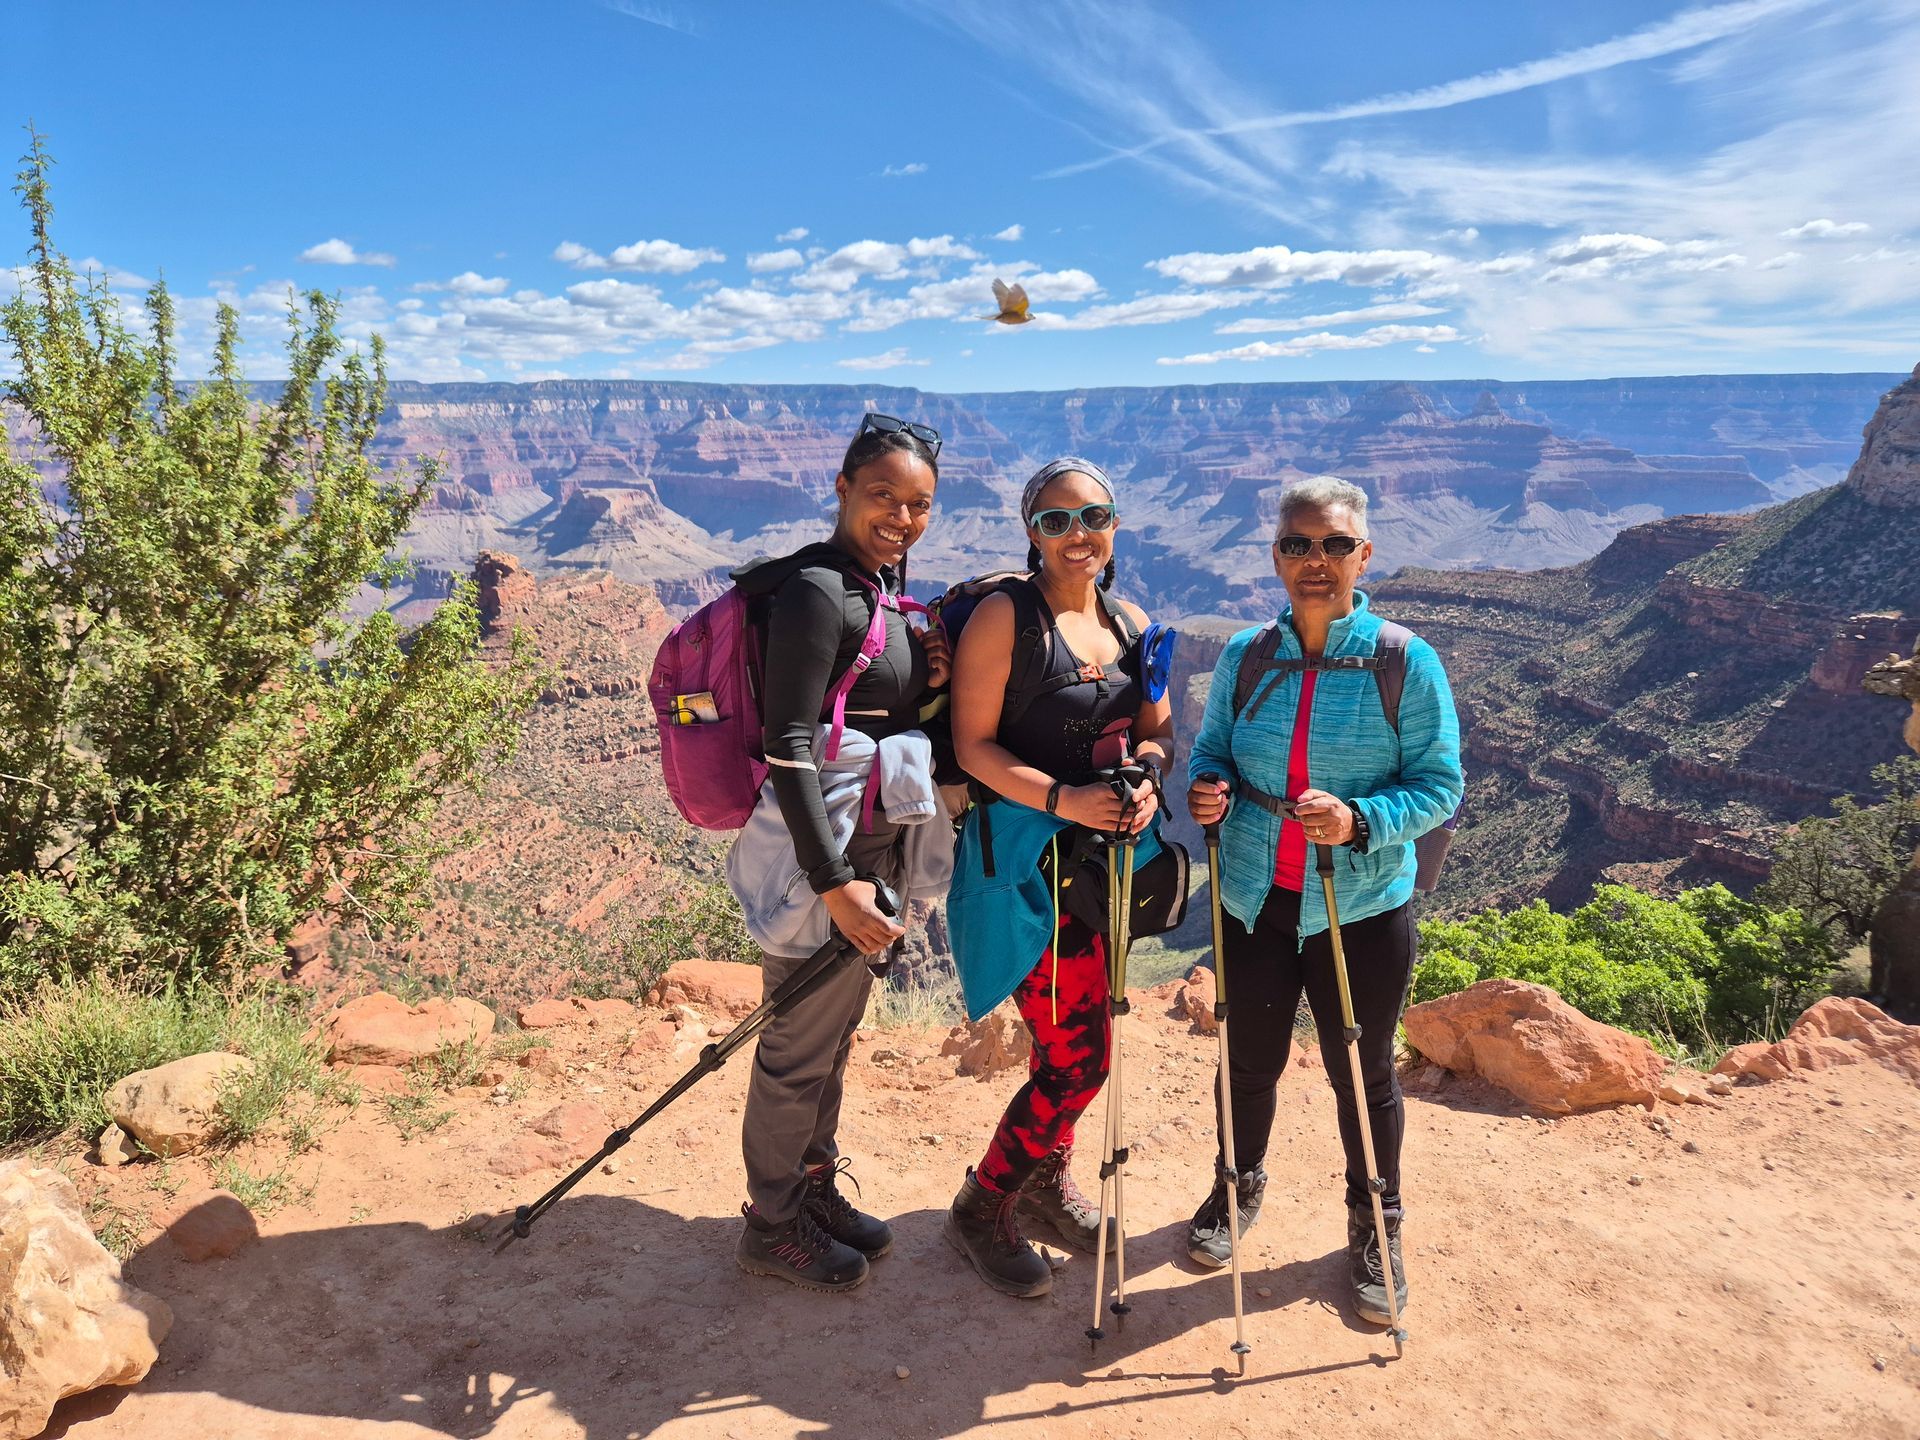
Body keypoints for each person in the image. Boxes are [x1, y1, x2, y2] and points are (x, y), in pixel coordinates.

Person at [1183, 475, 1463, 1327]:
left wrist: (1361, 819)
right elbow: (1211, 752)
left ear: (1364, 555)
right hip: (1256, 896)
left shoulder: (1402, 660)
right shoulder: (1245, 654)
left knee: (1362, 1070)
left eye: (1334, 545)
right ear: (1276, 556)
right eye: (1299, 544)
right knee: (1251, 1059)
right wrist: (1207, 788)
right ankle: (1238, 1185)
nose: (1316, 560)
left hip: (1363, 903)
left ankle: (1377, 1221)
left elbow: (1441, 785)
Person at [725, 414, 952, 1293]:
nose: (901, 515)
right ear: (843, 490)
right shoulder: (822, 589)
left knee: (833, 1037)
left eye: (919, 503)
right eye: (883, 495)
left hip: (874, 848)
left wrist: (925, 683)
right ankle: (771, 1223)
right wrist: (836, 886)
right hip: (828, 862)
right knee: (796, 1049)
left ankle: (811, 1189)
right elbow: (789, 743)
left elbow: (875, 721)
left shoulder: (878, 588)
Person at [942, 456, 1173, 1297]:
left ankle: (1041, 1182)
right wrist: (1067, 799)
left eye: (1095, 517)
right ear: (1030, 532)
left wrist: (1146, 780)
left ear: (1116, 524)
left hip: (1098, 874)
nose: (1079, 536)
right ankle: (983, 1202)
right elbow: (974, 746)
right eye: (1057, 521)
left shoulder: (1130, 619)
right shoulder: (1008, 618)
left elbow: (1156, 730)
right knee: (1080, 1058)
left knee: (1066, 1041)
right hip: (1024, 875)